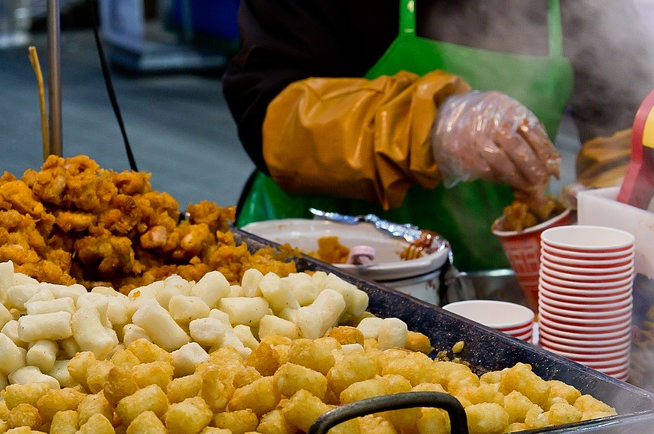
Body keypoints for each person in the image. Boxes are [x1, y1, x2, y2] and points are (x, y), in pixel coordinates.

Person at [222, 0, 654, 272]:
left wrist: (616, 205)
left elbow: (624, 127)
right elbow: (267, 110)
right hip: (321, 262)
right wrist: (430, 125)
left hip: (493, 274)